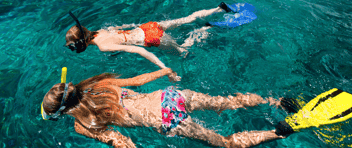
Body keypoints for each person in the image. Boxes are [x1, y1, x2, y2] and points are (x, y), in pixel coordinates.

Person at [40, 68, 285, 148]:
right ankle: (274, 101)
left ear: (63, 112)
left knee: (226, 143)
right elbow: (138, 80)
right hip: (170, 96)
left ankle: (279, 133)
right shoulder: (100, 84)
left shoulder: (82, 124)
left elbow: (121, 142)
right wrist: (165, 71)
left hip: (167, 119)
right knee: (227, 102)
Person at [65, 2, 238, 81]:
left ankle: (205, 29)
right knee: (186, 19)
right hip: (146, 27)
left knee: (184, 51)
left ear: (81, 44)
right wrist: (135, 26)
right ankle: (218, 8)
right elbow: (121, 28)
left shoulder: (103, 46)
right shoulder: (99, 32)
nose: (74, 49)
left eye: (74, 46)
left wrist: (165, 70)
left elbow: (140, 51)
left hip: (151, 38)